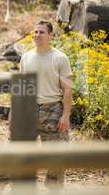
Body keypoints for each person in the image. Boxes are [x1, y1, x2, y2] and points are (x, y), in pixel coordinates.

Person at [18, 20, 73, 191]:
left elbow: (67, 89)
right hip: (29, 110)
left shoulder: (60, 58)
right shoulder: (26, 57)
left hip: (53, 110)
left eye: (41, 32)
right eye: (35, 32)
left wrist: (65, 115)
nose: (37, 35)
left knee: (56, 156)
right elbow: (21, 88)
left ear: (51, 35)